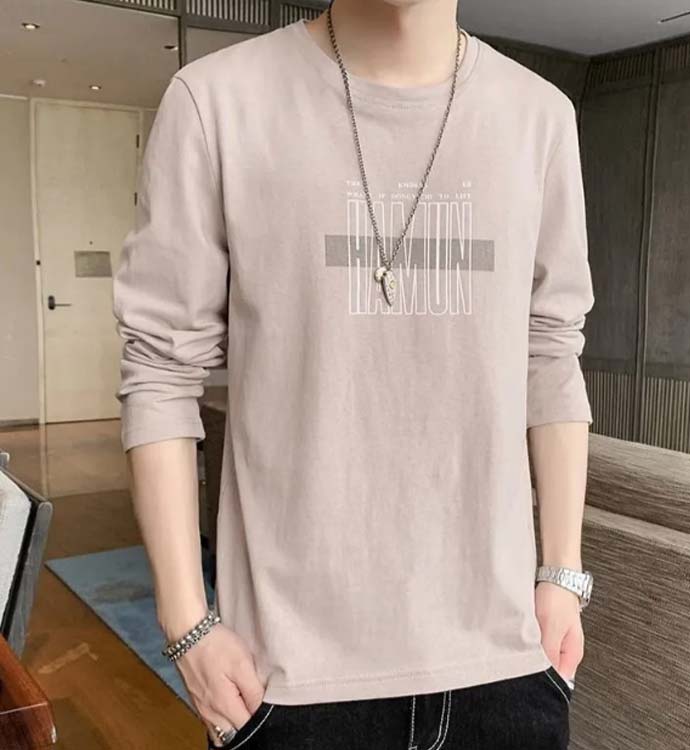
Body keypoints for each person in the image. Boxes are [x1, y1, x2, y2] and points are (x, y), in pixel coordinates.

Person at [112, 0, 596, 747]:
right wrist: (187, 626)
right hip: (287, 682)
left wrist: (563, 576)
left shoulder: (541, 117)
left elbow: (552, 351)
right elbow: (159, 367)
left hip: (507, 668)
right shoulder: (216, 102)